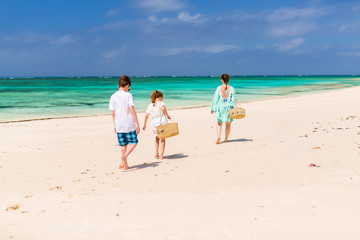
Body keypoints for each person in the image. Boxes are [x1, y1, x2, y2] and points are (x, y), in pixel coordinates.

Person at [109, 75, 140, 170]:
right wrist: (137, 123)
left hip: (119, 124)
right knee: (134, 142)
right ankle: (125, 156)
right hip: (129, 123)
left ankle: (125, 165)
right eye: (129, 88)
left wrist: (114, 124)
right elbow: (132, 109)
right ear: (127, 85)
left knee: (123, 145)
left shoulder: (113, 96)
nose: (128, 89)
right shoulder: (128, 95)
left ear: (118, 85)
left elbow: (113, 112)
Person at [142, 90, 171, 160]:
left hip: (154, 124)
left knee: (157, 138)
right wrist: (167, 115)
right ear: (160, 97)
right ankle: (161, 155)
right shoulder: (161, 102)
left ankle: (156, 153)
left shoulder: (151, 105)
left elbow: (146, 115)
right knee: (163, 139)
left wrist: (144, 124)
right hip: (162, 123)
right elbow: (163, 108)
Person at [210, 73, 236, 144]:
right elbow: (233, 100)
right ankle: (226, 139)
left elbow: (215, 99)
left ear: (222, 80)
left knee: (219, 123)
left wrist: (212, 108)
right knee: (228, 124)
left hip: (221, 107)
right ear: (228, 80)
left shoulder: (219, 88)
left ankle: (218, 136)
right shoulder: (232, 88)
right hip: (229, 108)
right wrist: (231, 106)